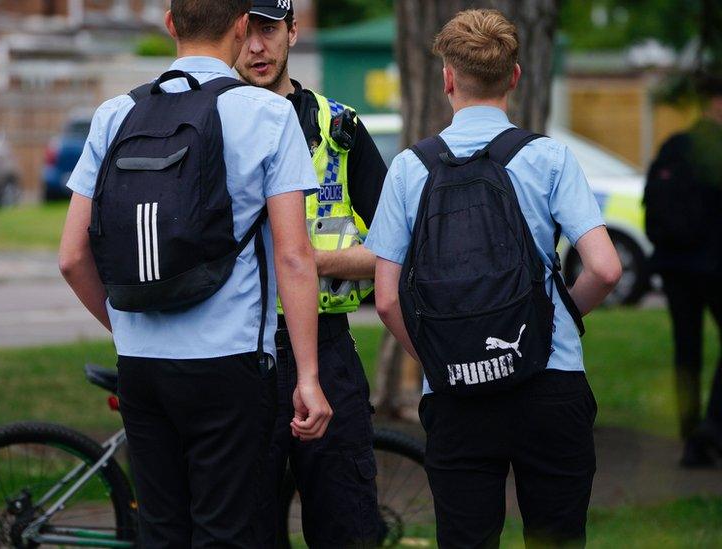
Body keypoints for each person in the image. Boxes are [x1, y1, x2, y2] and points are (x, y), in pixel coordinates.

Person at [58, 1, 332, 546]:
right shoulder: (267, 115)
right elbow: (295, 256)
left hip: (141, 364)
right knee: (227, 529)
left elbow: (71, 257)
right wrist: (307, 376)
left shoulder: (116, 114)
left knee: (160, 529)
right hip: (229, 361)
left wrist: (127, 329)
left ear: (169, 25)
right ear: (238, 27)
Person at [367, 9, 622, 548]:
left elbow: (387, 301)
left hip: (457, 390)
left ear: (447, 78)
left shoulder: (411, 169)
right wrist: (562, 316)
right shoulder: (548, 158)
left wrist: (442, 354)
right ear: (515, 77)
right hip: (551, 379)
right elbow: (605, 267)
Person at [234, 1, 388, 546]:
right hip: (238, 353)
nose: (256, 46)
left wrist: (309, 263)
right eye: (246, 31)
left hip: (326, 349)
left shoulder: (339, 127)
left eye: (269, 30)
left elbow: (397, 249)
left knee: (346, 525)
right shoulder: (211, 121)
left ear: (293, 32)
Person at [644, 73, 722, 468]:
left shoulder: (675, 145)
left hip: (675, 267)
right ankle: (712, 428)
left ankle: (692, 437)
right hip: (714, 266)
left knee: (686, 351)